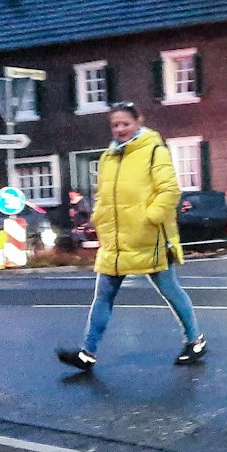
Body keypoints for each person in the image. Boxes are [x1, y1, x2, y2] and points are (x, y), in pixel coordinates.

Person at [58, 102, 207, 372]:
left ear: (139, 121)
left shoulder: (154, 151)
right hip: (115, 241)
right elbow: (103, 195)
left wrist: (150, 218)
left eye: (125, 123)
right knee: (103, 295)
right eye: (115, 124)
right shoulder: (108, 157)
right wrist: (98, 219)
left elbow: (169, 191)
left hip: (148, 238)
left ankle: (195, 340)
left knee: (170, 290)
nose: (120, 129)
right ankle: (87, 353)